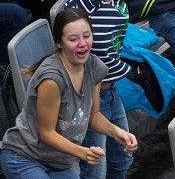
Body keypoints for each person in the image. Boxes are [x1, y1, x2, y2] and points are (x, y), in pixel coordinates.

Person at [0, 9, 138, 179]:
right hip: (24, 157)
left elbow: (93, 116)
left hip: (58, 162)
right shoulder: (52, 79)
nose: (82, 43)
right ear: (59, 43)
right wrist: (83, 152)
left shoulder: (94, 66)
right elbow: (47, 133)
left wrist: (117, 132)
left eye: (86, 36)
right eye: (73, 39)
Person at [61, 0, 129, 179]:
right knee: (95, 171)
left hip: (111, 92)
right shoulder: (85, 5)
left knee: (122, 161)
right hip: (88, 96)